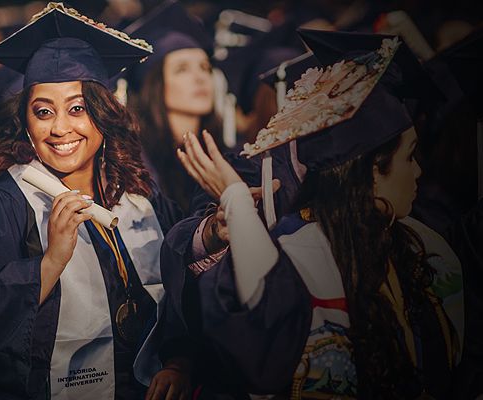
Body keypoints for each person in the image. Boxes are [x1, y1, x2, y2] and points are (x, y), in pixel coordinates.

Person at [164, 34, 470, 398]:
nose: (420, 172)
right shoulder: (297, 255)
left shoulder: (429, 250)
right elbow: (261, 350)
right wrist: (234, 206)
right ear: (373, 170)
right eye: (409, 157)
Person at [0, 3, 191, 399]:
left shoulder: (138, 196)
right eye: (43, 111)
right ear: (26, 122)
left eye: (77, 108)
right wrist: (49, 262)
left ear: (102, 115)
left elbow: (181, 289)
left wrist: (177, 361)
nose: (59, 128)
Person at [123, 0, 224, 213]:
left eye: (205, 67)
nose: (200, 78)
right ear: (156, 85)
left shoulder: (228, 156)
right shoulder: (136, 165)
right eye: (182, 69)